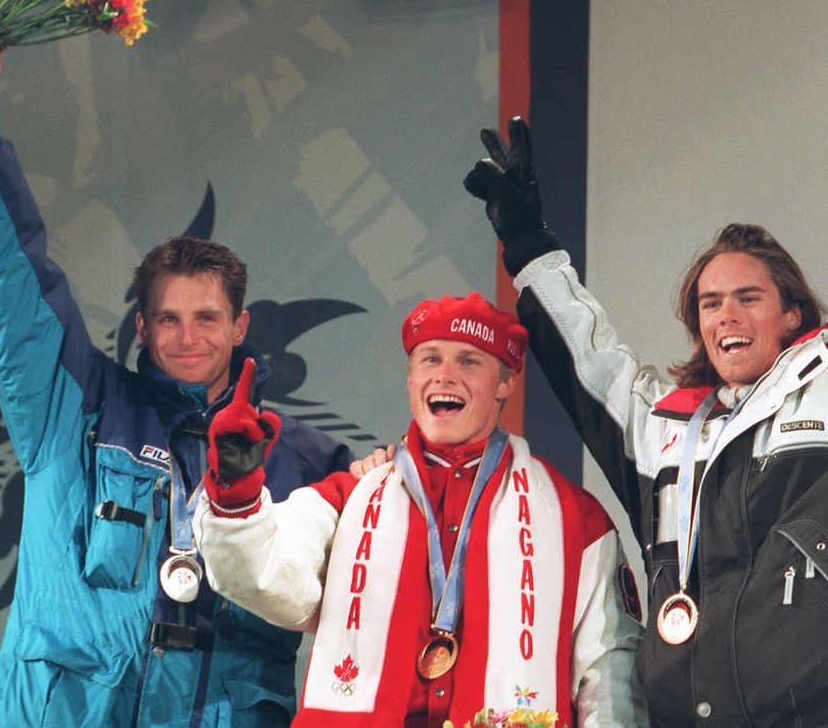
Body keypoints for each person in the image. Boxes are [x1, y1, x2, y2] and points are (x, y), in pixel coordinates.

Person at [462, 37, 828, 727]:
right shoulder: (664, 430)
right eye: (710, 304)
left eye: (749, 298)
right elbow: (590, 365)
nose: (727, 316)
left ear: (791, 313)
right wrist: (529, 245)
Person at [0, 26, 352, 727]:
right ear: (142, 327)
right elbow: (12, 284)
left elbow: (378, 597)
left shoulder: (304, 459)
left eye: (207, 318)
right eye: (168, 319)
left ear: (240, 327)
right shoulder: (75, 406)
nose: (187, 337)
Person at [194, 292, 647, 727]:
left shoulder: (574, 519)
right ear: (411, 379)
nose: (444, 376)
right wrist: (235, 489)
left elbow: (611, 669)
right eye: (430, 359)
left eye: (469, 361)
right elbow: (261, 577)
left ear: (506, 382)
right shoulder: (351, 496)